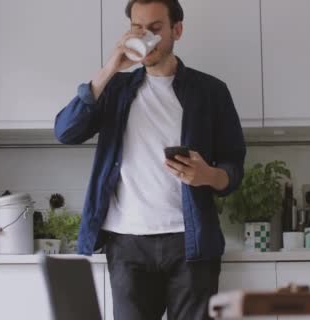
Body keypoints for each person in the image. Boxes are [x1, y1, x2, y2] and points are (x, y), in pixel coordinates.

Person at [54, 0, 246, 319]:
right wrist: (110, 68)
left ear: (177, 30)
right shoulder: (114, 89)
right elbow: (65, 131)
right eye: (138, 29)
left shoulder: (210, 92)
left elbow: (233, 167)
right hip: (127, 244)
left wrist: (208, 175)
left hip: (191, 243)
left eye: (156, 29)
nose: (147, 37)